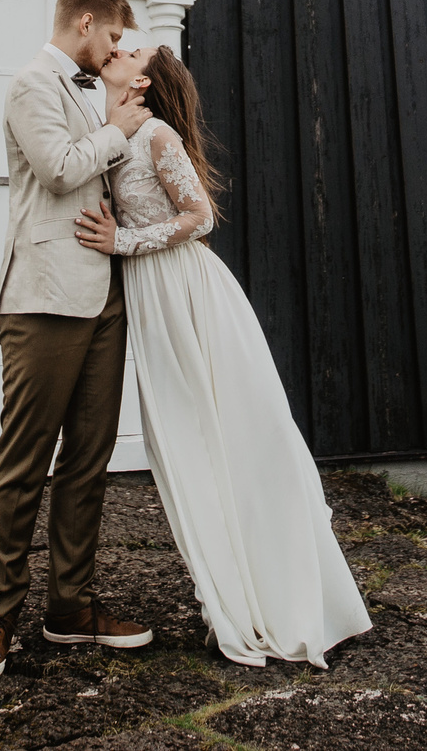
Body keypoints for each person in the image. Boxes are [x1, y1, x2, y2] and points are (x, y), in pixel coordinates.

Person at [70, 45, 373, 667]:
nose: (116, 49)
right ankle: (232, 588)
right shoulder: (114, 130)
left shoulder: (155, 134)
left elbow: (199, 216)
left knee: (222, 432)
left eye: (130, 49)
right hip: (153, 295)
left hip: (186, 292)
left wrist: (122, 241)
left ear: (145, 80)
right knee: (187, 438)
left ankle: (269, 595)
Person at [0, 0, 157, 681]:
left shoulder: (98, 94)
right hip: (43, 297)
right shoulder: (29, 85)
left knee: (88, 461)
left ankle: (70, 606)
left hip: (106, 297)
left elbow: (113, 180)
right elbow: (59, 167)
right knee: (23, 462)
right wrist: (117, 128)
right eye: (111, 38)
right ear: (84, 20)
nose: (114, 53)